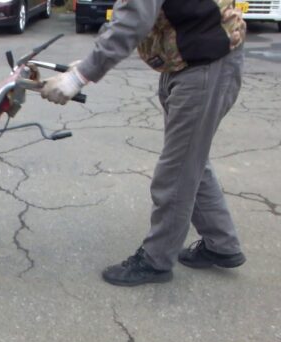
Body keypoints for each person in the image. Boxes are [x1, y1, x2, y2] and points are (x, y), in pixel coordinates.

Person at [40, 0, 247, 286]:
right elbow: (128, 19)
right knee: (190, 161)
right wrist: (87, 65)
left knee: (176, 172)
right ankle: (221, 245)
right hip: (190, 62)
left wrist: (79, 77)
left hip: (204, 65)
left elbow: (132, 22)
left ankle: (156, 261)